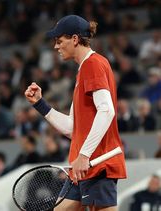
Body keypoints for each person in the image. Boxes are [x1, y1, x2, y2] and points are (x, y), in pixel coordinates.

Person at [24, 15, 127, 211]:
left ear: (75, 39)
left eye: (59, 41)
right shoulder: (84, 70)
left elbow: (106, 111)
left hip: (97, 163)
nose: (56, 47)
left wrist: (84, 155)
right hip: (83, 167)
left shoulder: (92, 64)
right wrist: (40, 104)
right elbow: (72, 128)